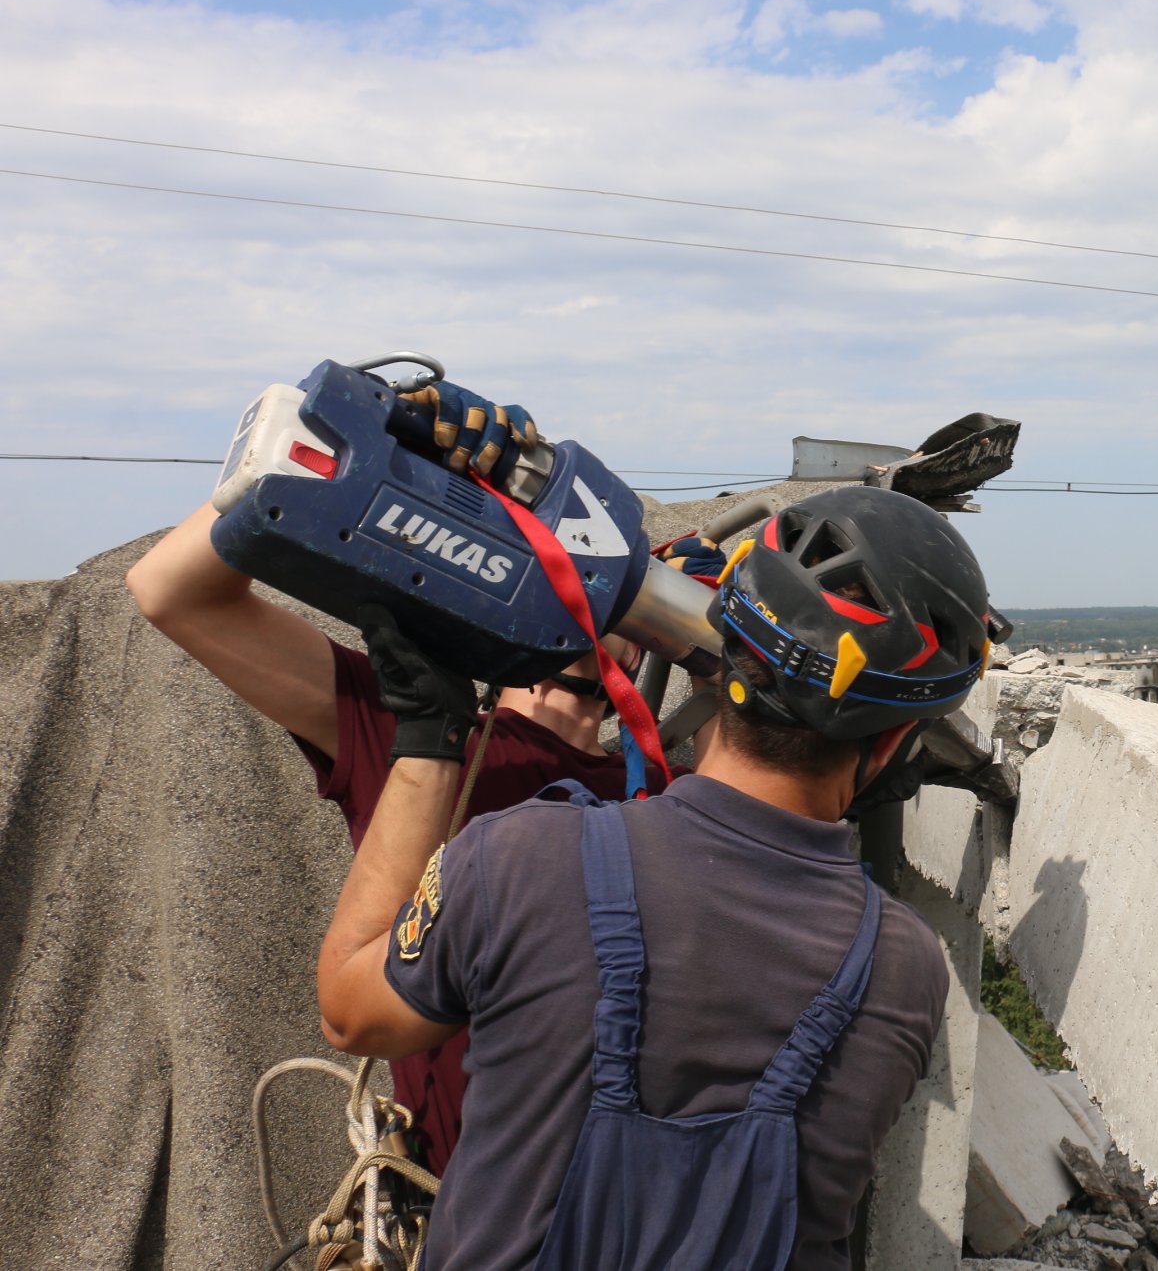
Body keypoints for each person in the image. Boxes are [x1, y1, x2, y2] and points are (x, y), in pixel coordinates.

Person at [316, 484, 990, 1271]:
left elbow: (351, 1013)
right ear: (897, 737)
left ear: (724, 653)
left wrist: (427, 741)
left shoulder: (524, 858)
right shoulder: (902, 970)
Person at [124, 381, 718, 1173]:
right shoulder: (407, 722)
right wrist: (364, 433)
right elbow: (167, 588)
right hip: (464, 1208)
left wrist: (716, 634)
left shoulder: (663, 793)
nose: (572, 580)